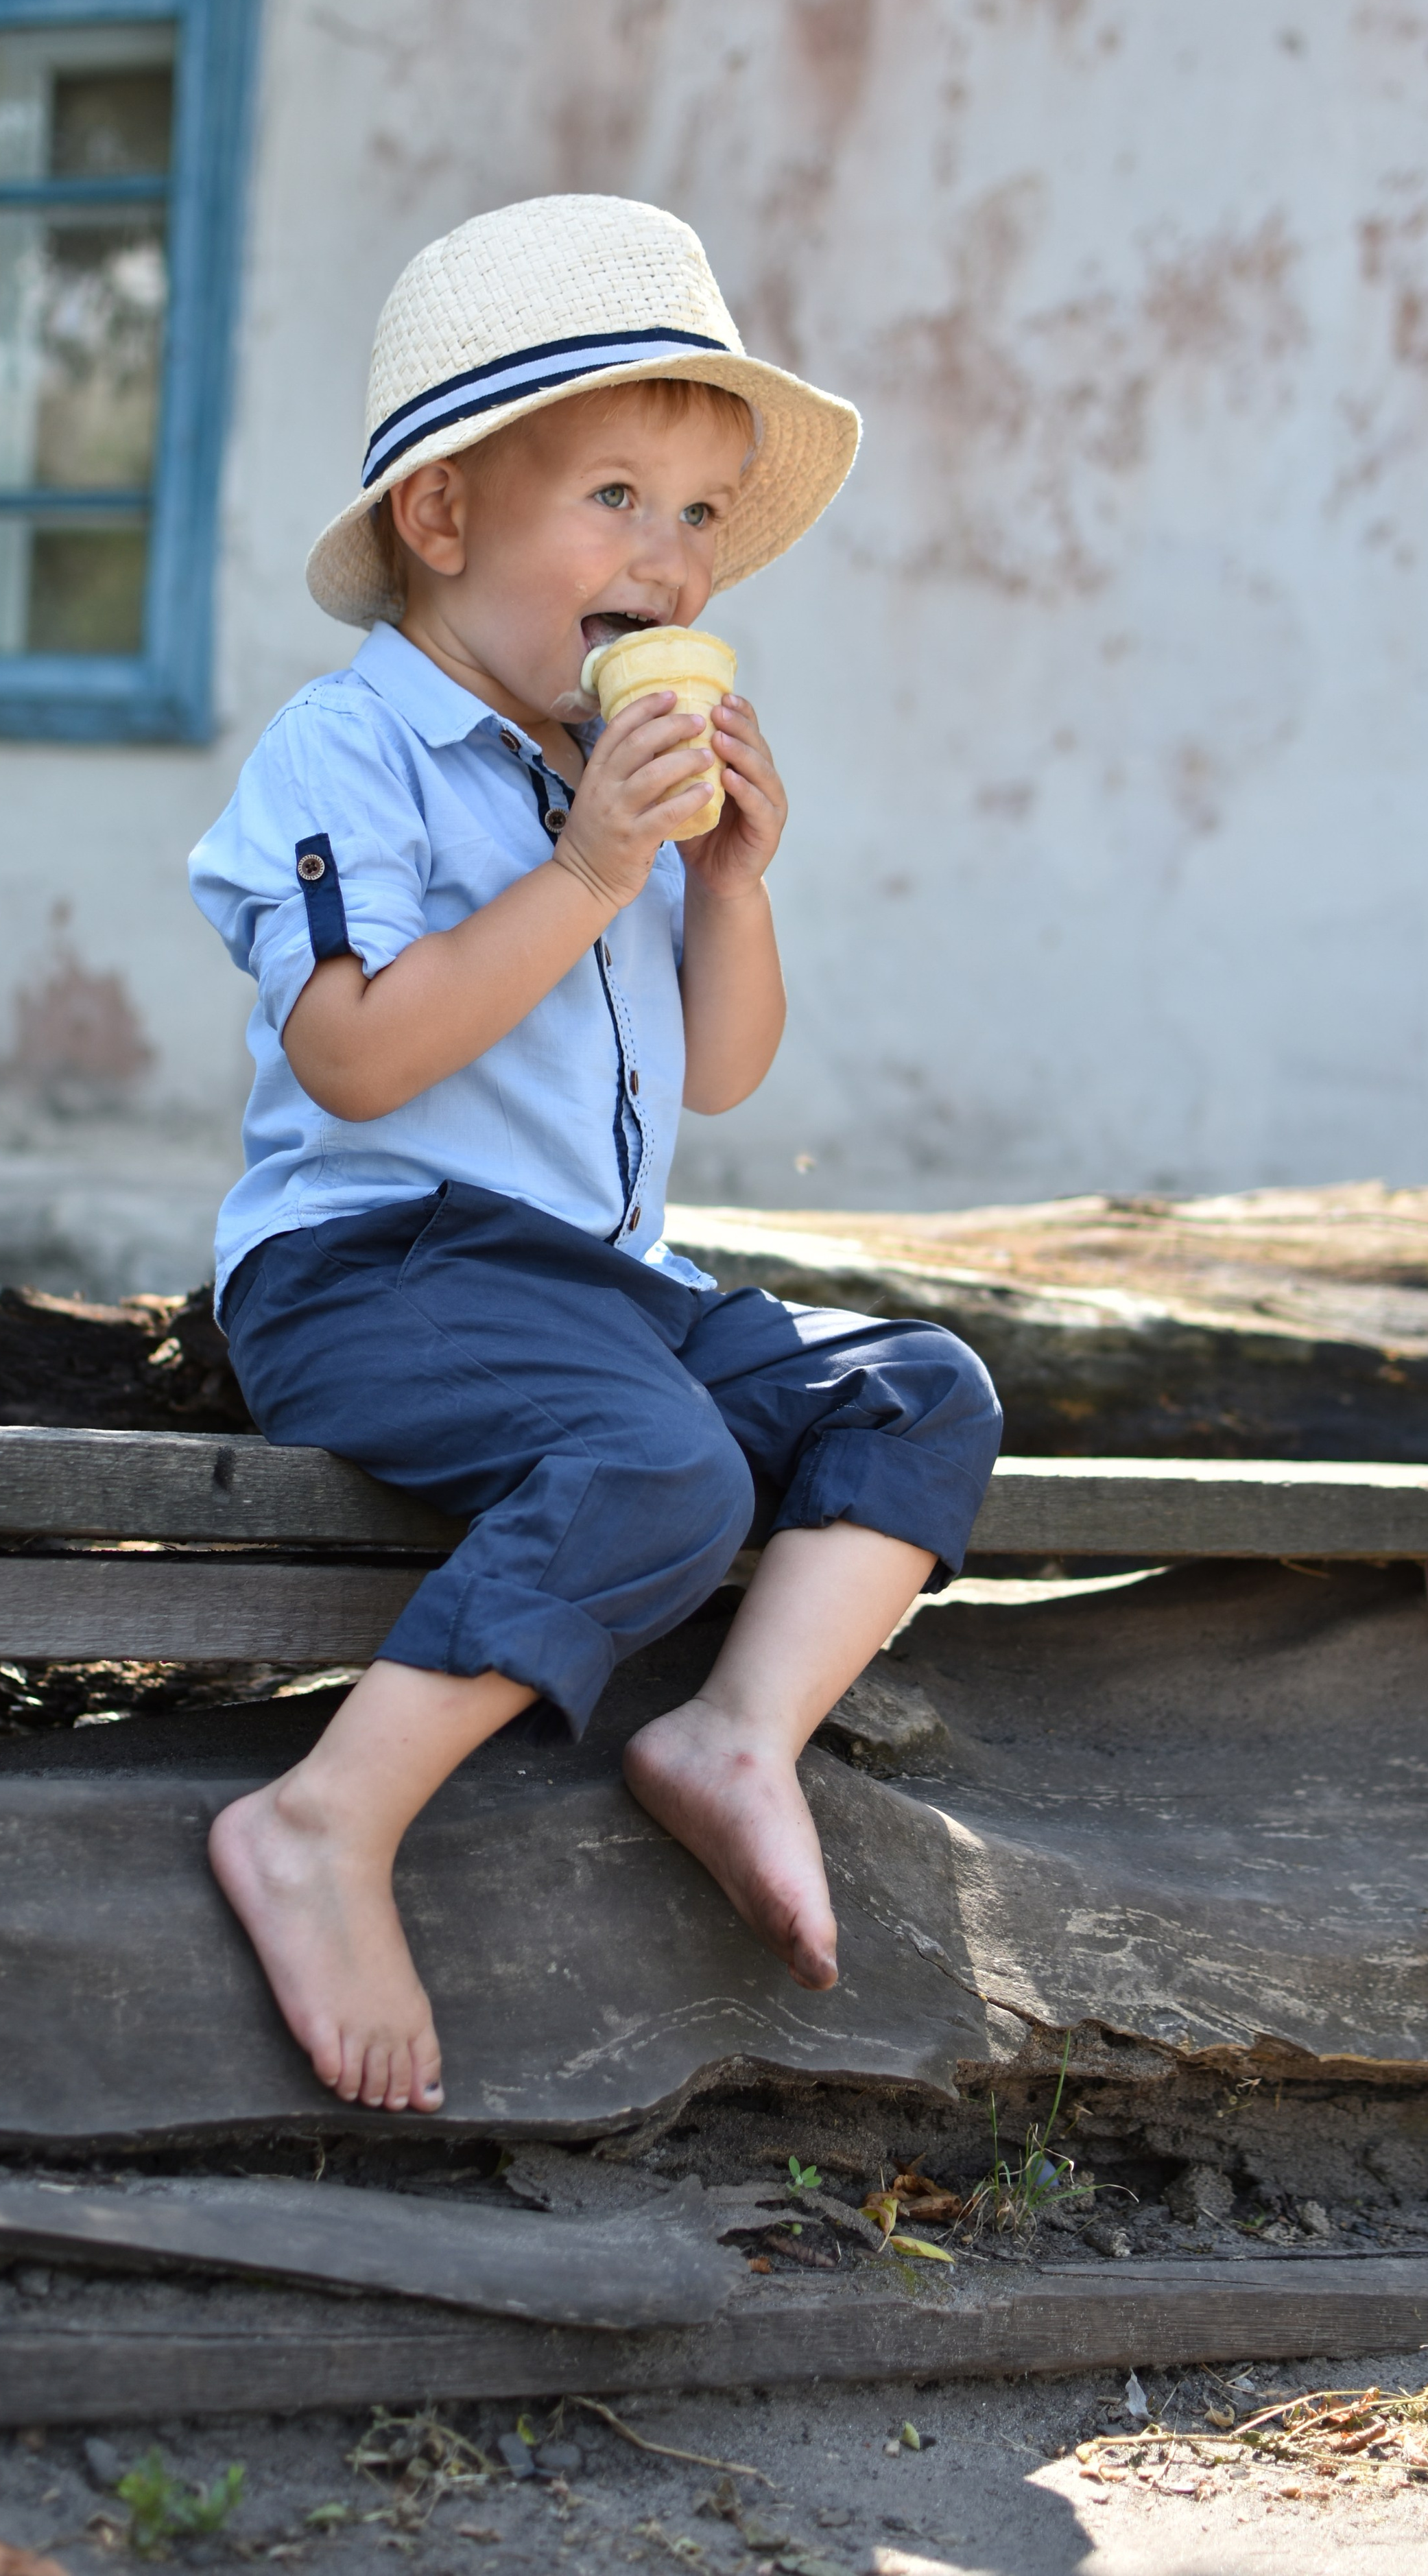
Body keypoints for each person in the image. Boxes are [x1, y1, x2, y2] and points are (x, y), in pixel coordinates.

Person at [189, 195, 1002, 2118]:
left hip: (594, 1288)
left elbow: (725, 1073)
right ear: (444, 519)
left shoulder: (603, 779)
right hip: (371, 1271)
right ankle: (323, 1822)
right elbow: (365, 1060)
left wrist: (728, 882)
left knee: (922, 1389)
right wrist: (582, 875)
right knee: (663, 1469)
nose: (671, 560)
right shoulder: (347, 757)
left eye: (701, 518)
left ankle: (736, 1735)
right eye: (617, 497)